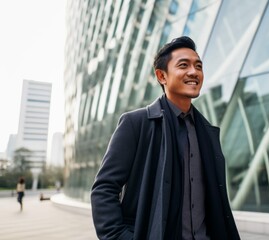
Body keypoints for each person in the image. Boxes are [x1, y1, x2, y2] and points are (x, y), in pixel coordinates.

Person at [91, 36, 241, 240]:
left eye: (198, 66)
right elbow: (104, 189)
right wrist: (120, 237)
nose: (194, 72)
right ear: (162, 76)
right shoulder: (136, 123)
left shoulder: (207, 131)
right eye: (183, 65)